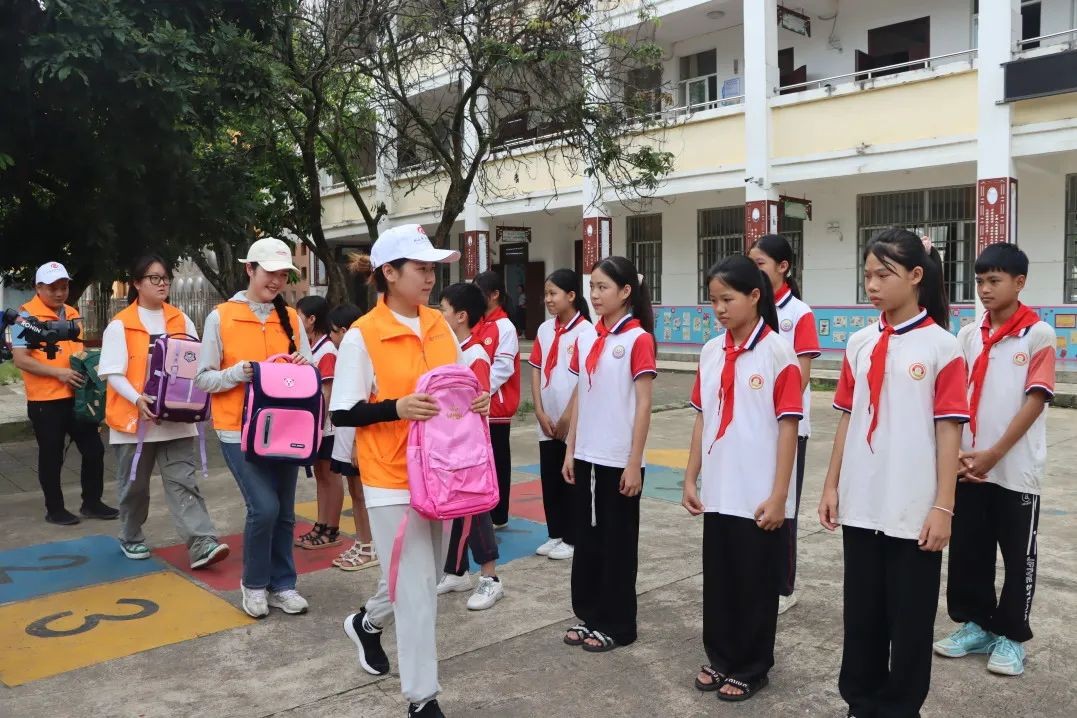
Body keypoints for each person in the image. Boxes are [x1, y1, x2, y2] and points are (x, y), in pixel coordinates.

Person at [332, 224, 487, 718]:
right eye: (421, 268)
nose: (430, 277)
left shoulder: (438, 324)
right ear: (390, 273)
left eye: (432, 269)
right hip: (390, 478)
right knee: (418, 590)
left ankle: (368, 622)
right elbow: (343, 411)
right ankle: (422, 699)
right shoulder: (364, 335)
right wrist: (395, 407)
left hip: (442, 472)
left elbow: (458, 383)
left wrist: (476, 399)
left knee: (422, 576)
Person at [819, 228, 968, 718]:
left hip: (914, 507)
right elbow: (847, 417)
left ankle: (901, 707)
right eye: (867, 275)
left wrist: (944, 505)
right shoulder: (860, 342)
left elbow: (949, 431)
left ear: (916, 276)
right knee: (862, 615)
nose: (872, 285)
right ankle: (860, 702)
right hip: (862, 501)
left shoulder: (943, 347)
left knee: (910, 621)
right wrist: (831, 485)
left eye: (884, 275)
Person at [681, 255, 802, 701]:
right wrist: (691, 477)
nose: (719, 309)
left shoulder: (777, 353)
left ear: (754, 296)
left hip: (758, 493)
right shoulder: (711, 351)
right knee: (720, 581)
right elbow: (703, 417)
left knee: (755, 584)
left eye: (727, 299)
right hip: (720, 488)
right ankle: (720, 657)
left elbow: (788, 426)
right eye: (713, 300)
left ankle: (752, 666)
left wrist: (779, 495)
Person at [933, 242, 1055, 677]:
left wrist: (995, 454)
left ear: (1019, 283)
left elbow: (1036, 399)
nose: (984, 289)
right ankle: (978, 624)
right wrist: (957, 454)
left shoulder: (1037, 334)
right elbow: (954, 396)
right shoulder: (968, 335)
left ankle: (1011, 635)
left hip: (1014, 470)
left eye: (994, 281)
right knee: (970, 551)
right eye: (980, 281)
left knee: (1018, 556)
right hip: (968, 466)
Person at [195, 237, 313, 619]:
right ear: (250, 269)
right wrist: (237, 373)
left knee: (285, 513)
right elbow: (203, 378)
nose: (276, 281)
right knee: (263, 508)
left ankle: (283, 585)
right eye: (269, 272)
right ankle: (255, 584)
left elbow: (310, 372)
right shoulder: (221, 317)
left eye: (283, 275)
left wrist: (302, 365)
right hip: (238, 430)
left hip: (286, 428)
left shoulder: (290, 318)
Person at [98, 255, 228, 567]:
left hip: (177, 418)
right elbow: (113, 373)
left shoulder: (181, 319)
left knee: (183, 482)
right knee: (135, 487)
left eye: (165, 278)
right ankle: (131, 536)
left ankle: (202, 543)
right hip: (134, 422)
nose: (162, 284)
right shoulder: (120, 325)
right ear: (136, 283)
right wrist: (137, 399)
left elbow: (196, 361)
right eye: (154, 278)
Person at [560, 256, 656, 653]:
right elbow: (583, 394)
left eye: (603, 287)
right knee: (588, 541)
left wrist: (634, 462)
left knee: (618, 544)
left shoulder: (637, 339)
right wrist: (571, 449)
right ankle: (589, 614)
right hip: (587, 455)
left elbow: (644, 404)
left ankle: (618, 624)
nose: (595, 295)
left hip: (619, 459)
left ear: (626, 291)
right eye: (593, 287)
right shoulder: (589, 337)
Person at [748, 234, 820, 615]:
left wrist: (776, 410)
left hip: (789, 425)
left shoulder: (799, 313)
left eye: (759, 263)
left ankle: (783, 585)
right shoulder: (750, 306)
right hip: (754, 426)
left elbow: (801, 374)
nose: (753, 270)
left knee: (784, 506)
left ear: (783, 267)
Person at [12, 261, 116, 525]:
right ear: (38, 287)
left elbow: (76, 349)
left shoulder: (71, 312)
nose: (60, 293)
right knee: (52, 455)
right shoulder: (24, 317)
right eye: (53, 288)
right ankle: (55, 509)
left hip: (78, 396)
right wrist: (58, 373)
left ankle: (92, 503)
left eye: (64, 287)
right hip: (46, 400)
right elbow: (21, 359)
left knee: (94, 450)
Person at [435, 281, 505, 611]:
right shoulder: (450, 350)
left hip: (470, 449)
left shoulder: (475, 354)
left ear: (461, 316)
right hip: (451, 446)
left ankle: (490, 577)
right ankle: (456, 571)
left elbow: (479, 400)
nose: (439, 316)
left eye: (443, 310)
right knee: (455, 509)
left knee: (476, 510)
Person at [528, 268, 593, 561]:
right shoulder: (544, 330)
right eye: (546, 294)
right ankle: (555, 533)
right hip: (547, 419)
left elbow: (584, 378)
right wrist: (539, 410)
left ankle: (572, 537)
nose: (548, 299)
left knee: (572, 478)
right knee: (550, 478)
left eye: (553, 293)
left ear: (571, 295)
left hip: (572, 419)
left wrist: (568, 415)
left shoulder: (586, 332)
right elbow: (536, 369)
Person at [325, 303, 378, 572]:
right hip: (345, 437)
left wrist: (357, 443)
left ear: (346, 331)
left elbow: (365, 401)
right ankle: (362, 541)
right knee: (355, 493)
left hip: (358, 438)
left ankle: (370, 546)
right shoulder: (347, 355)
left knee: (362, 493)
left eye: (334, 331)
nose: (331, 337)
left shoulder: (363, 354)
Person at [294, 295, 344, 551]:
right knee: (321, 476)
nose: (295, 320)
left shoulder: (326, 351)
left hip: (327, 427)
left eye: (299, 316)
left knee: (330, 476)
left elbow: (327, 391)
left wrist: (315, 427)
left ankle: (331, 528)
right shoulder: (311, 349)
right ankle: (321, 524)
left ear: (312, 320)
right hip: (315, 426)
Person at [472, 271, 520, 528]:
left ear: (494, 295)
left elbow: (503, 367)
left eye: (479, 293)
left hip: (496, 407)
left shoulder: (505, 327)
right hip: (479, 406)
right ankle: (483, 508)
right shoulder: (478, 323)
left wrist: (479, 391)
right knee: (481, 462)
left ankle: (499, 514)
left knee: (498, 462)